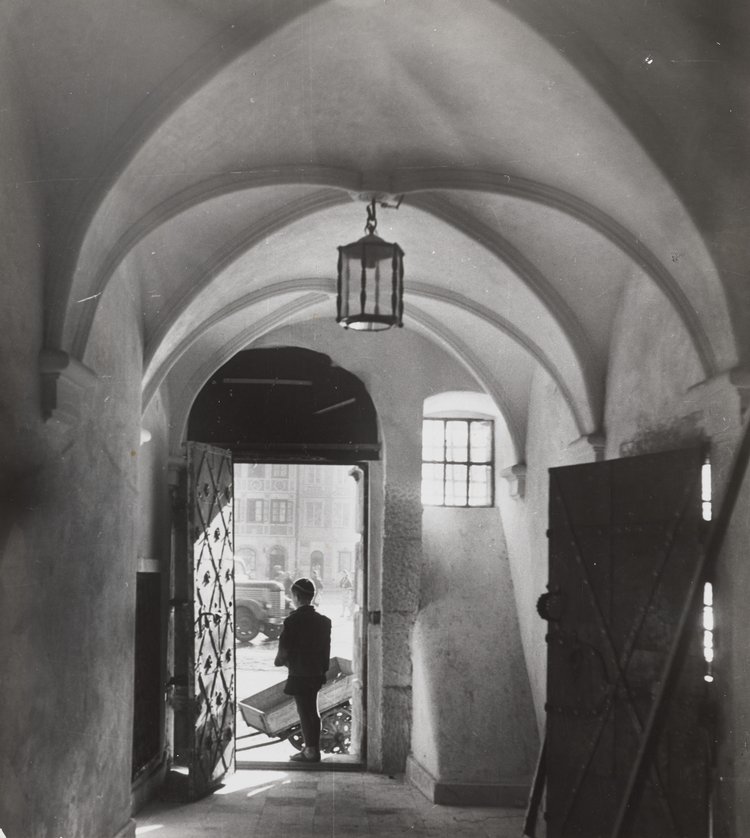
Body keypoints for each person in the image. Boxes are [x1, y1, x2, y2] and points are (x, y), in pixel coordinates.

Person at [274, 577, 332, 763]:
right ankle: (313, 749)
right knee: (312, 711)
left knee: (304, 711)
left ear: (296, 596)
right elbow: (326, 650)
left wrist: (280, 661)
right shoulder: (324, 621)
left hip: (299, 673)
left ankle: (310, 751)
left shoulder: (292, 621)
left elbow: (283, 651)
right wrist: (322, 670)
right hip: (316, 673)